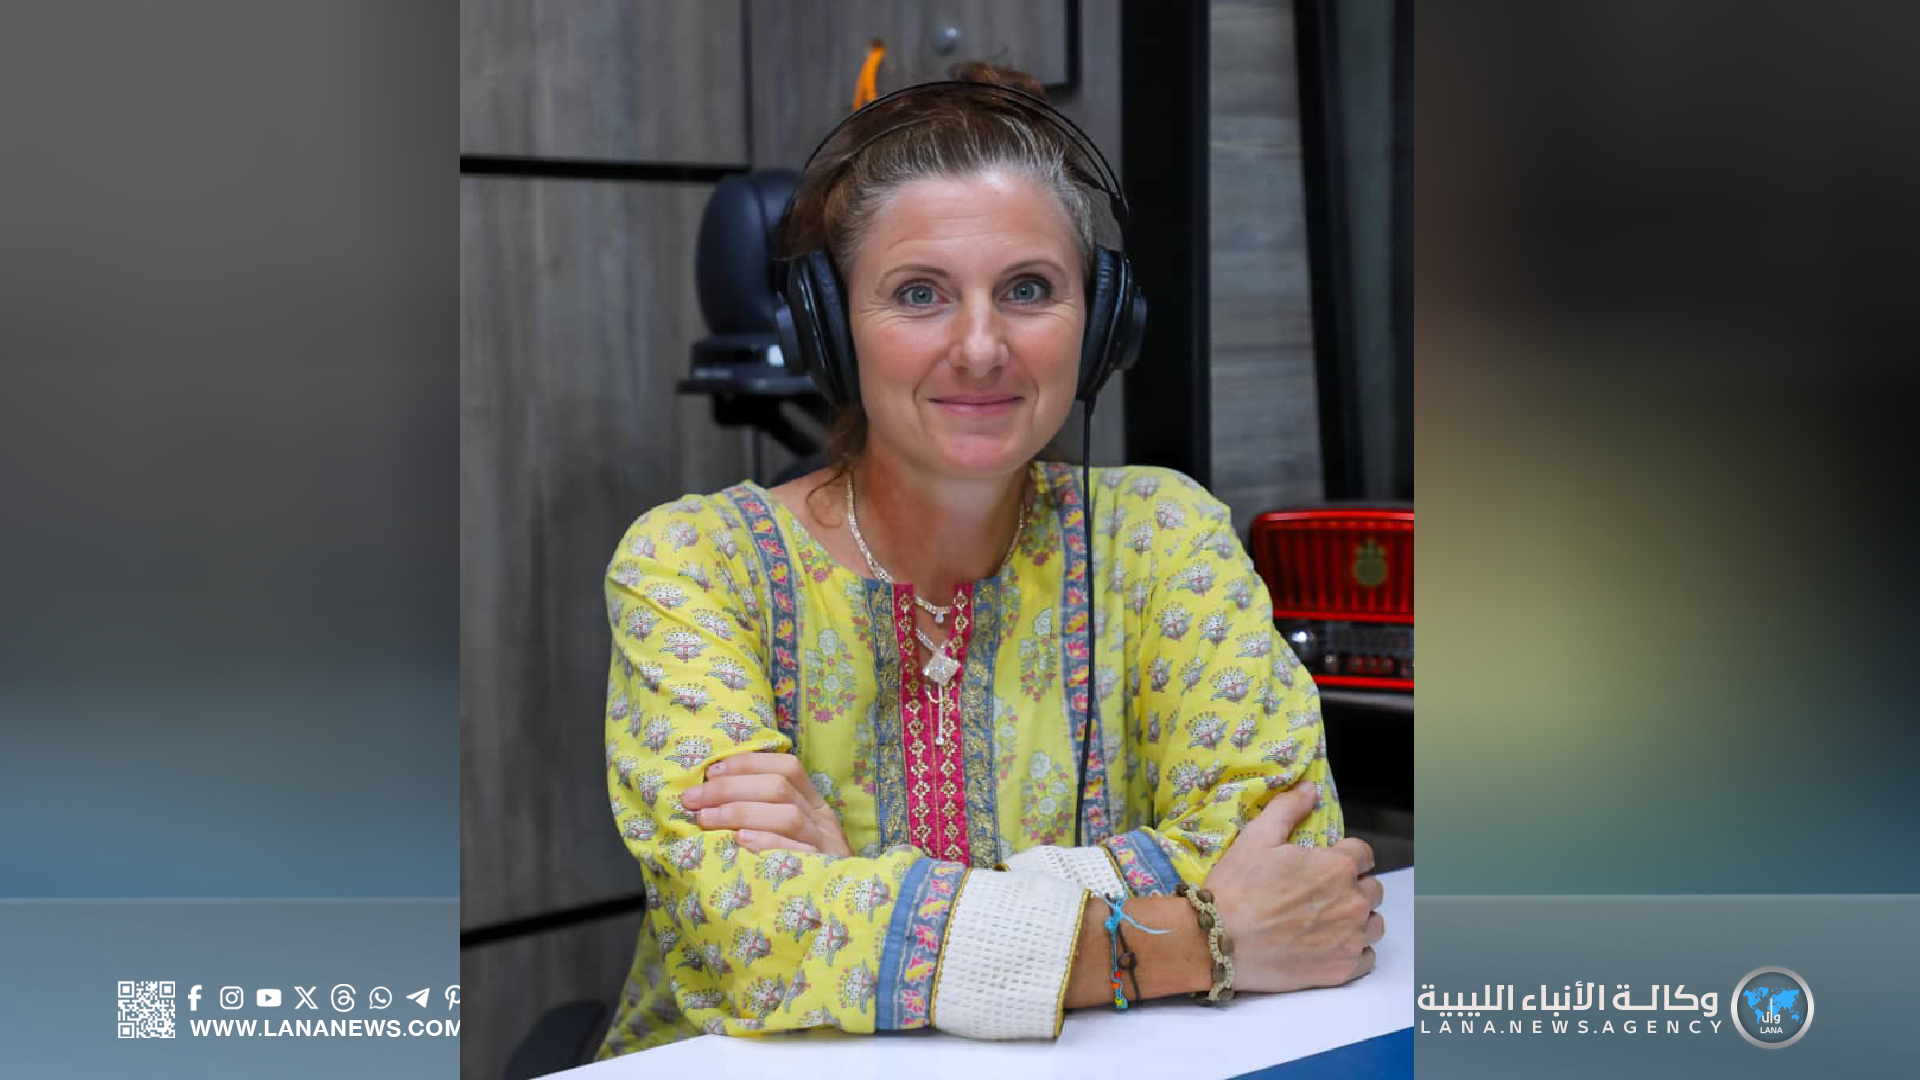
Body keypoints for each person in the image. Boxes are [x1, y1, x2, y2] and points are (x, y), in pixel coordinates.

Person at [595, 64, 1382, 1059]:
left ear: (1102, 321)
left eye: (1028, 289)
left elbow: (1294, 865)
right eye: (919, 294)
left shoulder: (1162, 537)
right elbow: (750, 936)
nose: (979, 346)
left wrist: (858, 888)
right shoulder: (694, 565)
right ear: (830, 327)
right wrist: (1187, 939)